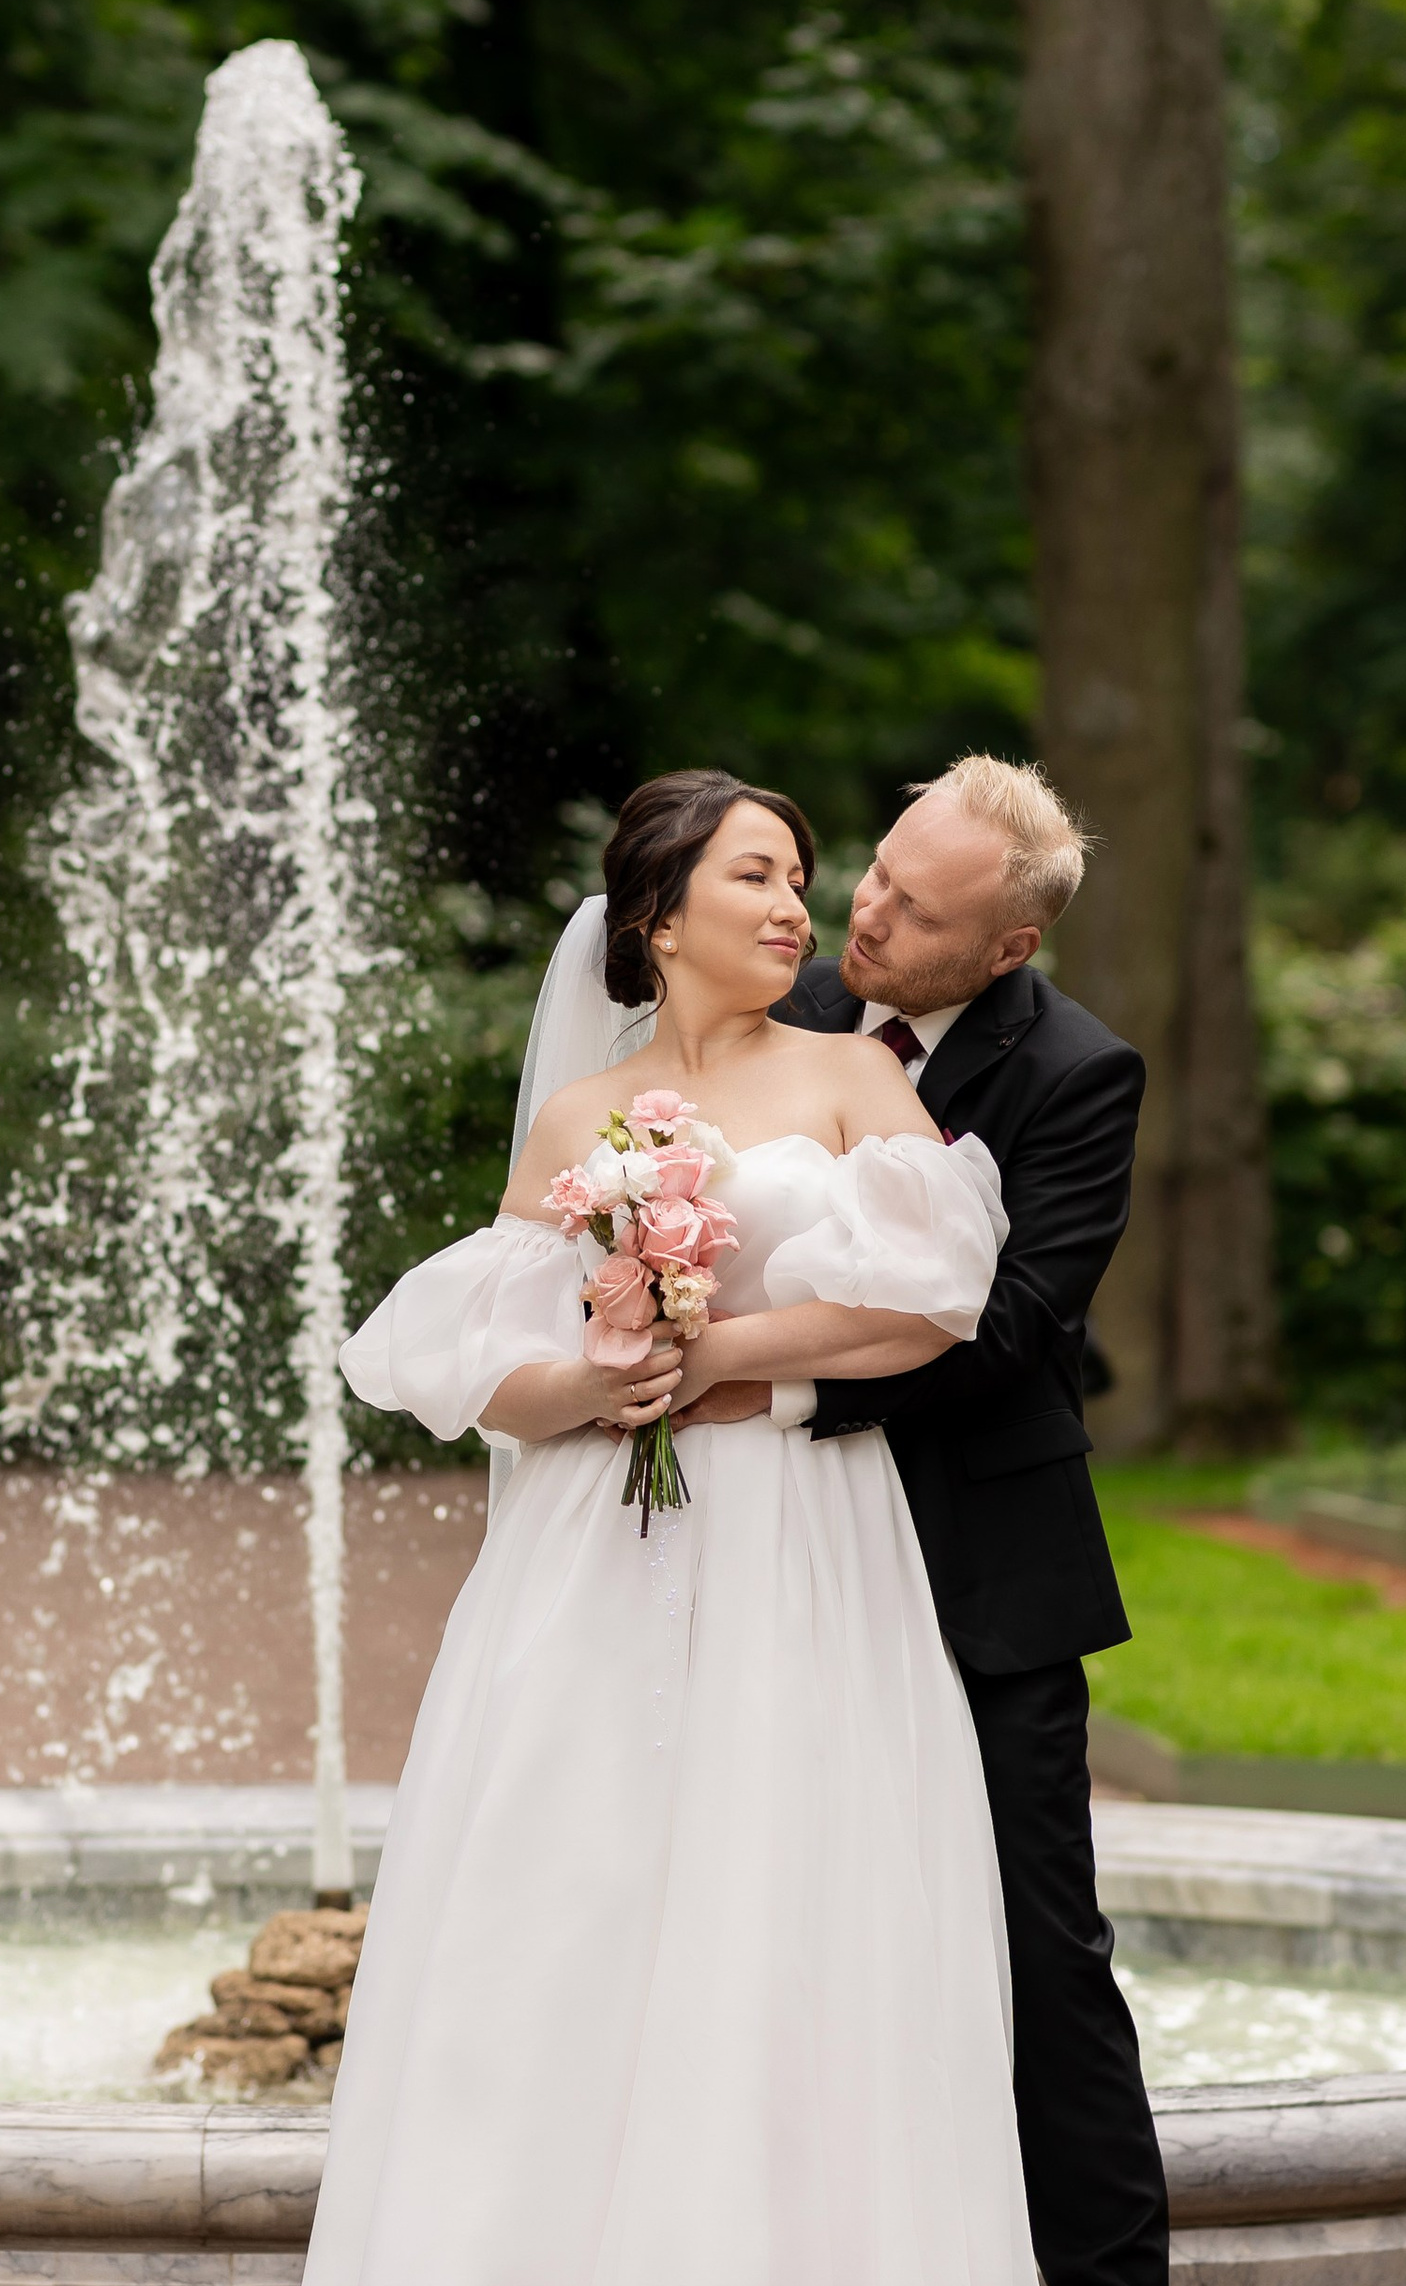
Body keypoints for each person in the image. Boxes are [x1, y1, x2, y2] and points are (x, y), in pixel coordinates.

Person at [307, 768, 1039, 2286]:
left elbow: (925, 1314)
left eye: (798, 880)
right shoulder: (581, 1114)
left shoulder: (850, 1079)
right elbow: (487, 1367)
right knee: (570, 1876)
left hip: (800, 1532)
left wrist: (717, 1356)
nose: (797, 910)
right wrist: (601, 1375)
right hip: (592, 1546)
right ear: (659, 914)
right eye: (757, 879)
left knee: (788, 1881)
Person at [688, 754, 1170, 2286]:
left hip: (983, 1575)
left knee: (1038, 1948)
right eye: (877, 871)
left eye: (914, 907)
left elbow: (1020, 1322)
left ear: (1008, 949)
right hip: (768, 1559)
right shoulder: (779, 1010)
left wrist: (774, 1392)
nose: (865, 916)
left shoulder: (1078, 1074)